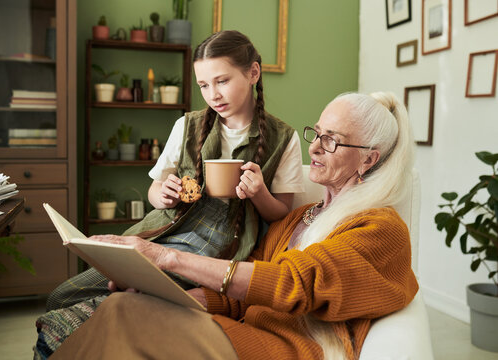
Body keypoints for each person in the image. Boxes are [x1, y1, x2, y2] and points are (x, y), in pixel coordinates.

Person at [42, 91, 420, 360]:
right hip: (245, 333)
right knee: (124, 305)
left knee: (123, 316)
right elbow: (239, 297)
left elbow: (293, 284)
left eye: (332, 141)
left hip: (287, 350)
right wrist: (171, 299)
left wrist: (165, 258)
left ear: (368, 160)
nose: (316, 148)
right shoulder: (296, 220)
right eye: (317, 133)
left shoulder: (381, 229)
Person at [36, 29, 304, 351]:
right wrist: (164, 194)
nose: (213, 94)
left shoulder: (283, 138)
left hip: (219, 251)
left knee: (124, 301)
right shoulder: (187, 125)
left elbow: (282, 213)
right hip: (164, 234)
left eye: (222, 81)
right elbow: (154, 190)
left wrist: (259, 192)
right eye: (204, 85)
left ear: (253, 73)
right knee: (61, 295)